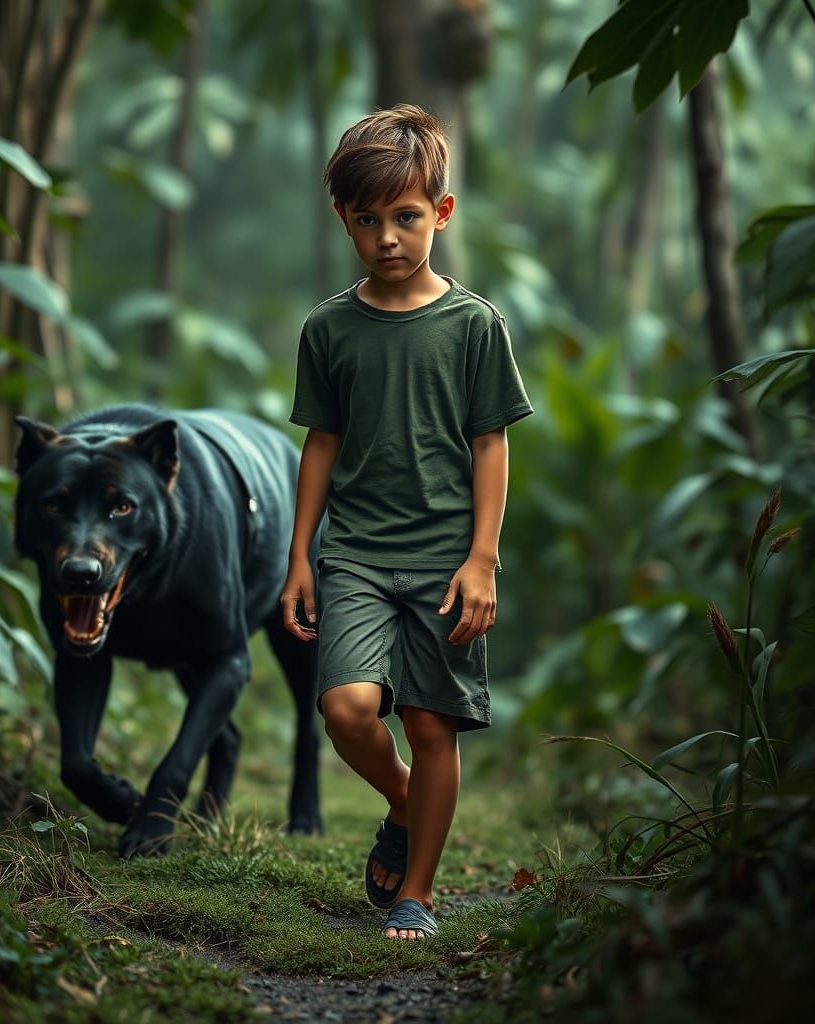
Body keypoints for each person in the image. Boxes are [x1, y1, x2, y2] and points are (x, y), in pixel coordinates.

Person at [280, 104, 534, 941]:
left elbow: (490, 444)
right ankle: (404, 802)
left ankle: (417, 891)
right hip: (353, 550)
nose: (387, 237)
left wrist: (484, 559)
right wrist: (301, 559)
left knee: (430, 722)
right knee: (348, 708)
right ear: (343, 220)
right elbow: (322, 443)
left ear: (443, 213)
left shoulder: (474, 325)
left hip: (443, 557)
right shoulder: (328, 327)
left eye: (407, 217)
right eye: (367, 220)